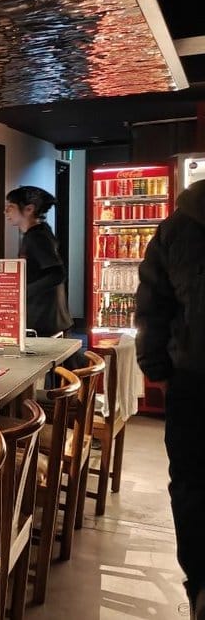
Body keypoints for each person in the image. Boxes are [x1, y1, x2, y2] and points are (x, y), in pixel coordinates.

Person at [136, 179, 205, 619]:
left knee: (193, 486)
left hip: (194, 382)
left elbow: (152, 307)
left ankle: (200, 586)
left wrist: (157, 370)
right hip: (190, 379)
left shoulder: (180, 224)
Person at [4, 186, 74, 338]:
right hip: (49, 319)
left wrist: (22, 292)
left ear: (29, 209)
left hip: (45, 321)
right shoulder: (39, 233)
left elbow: (57, 274)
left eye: (10, 207)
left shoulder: (37, 237)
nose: (6, 212)